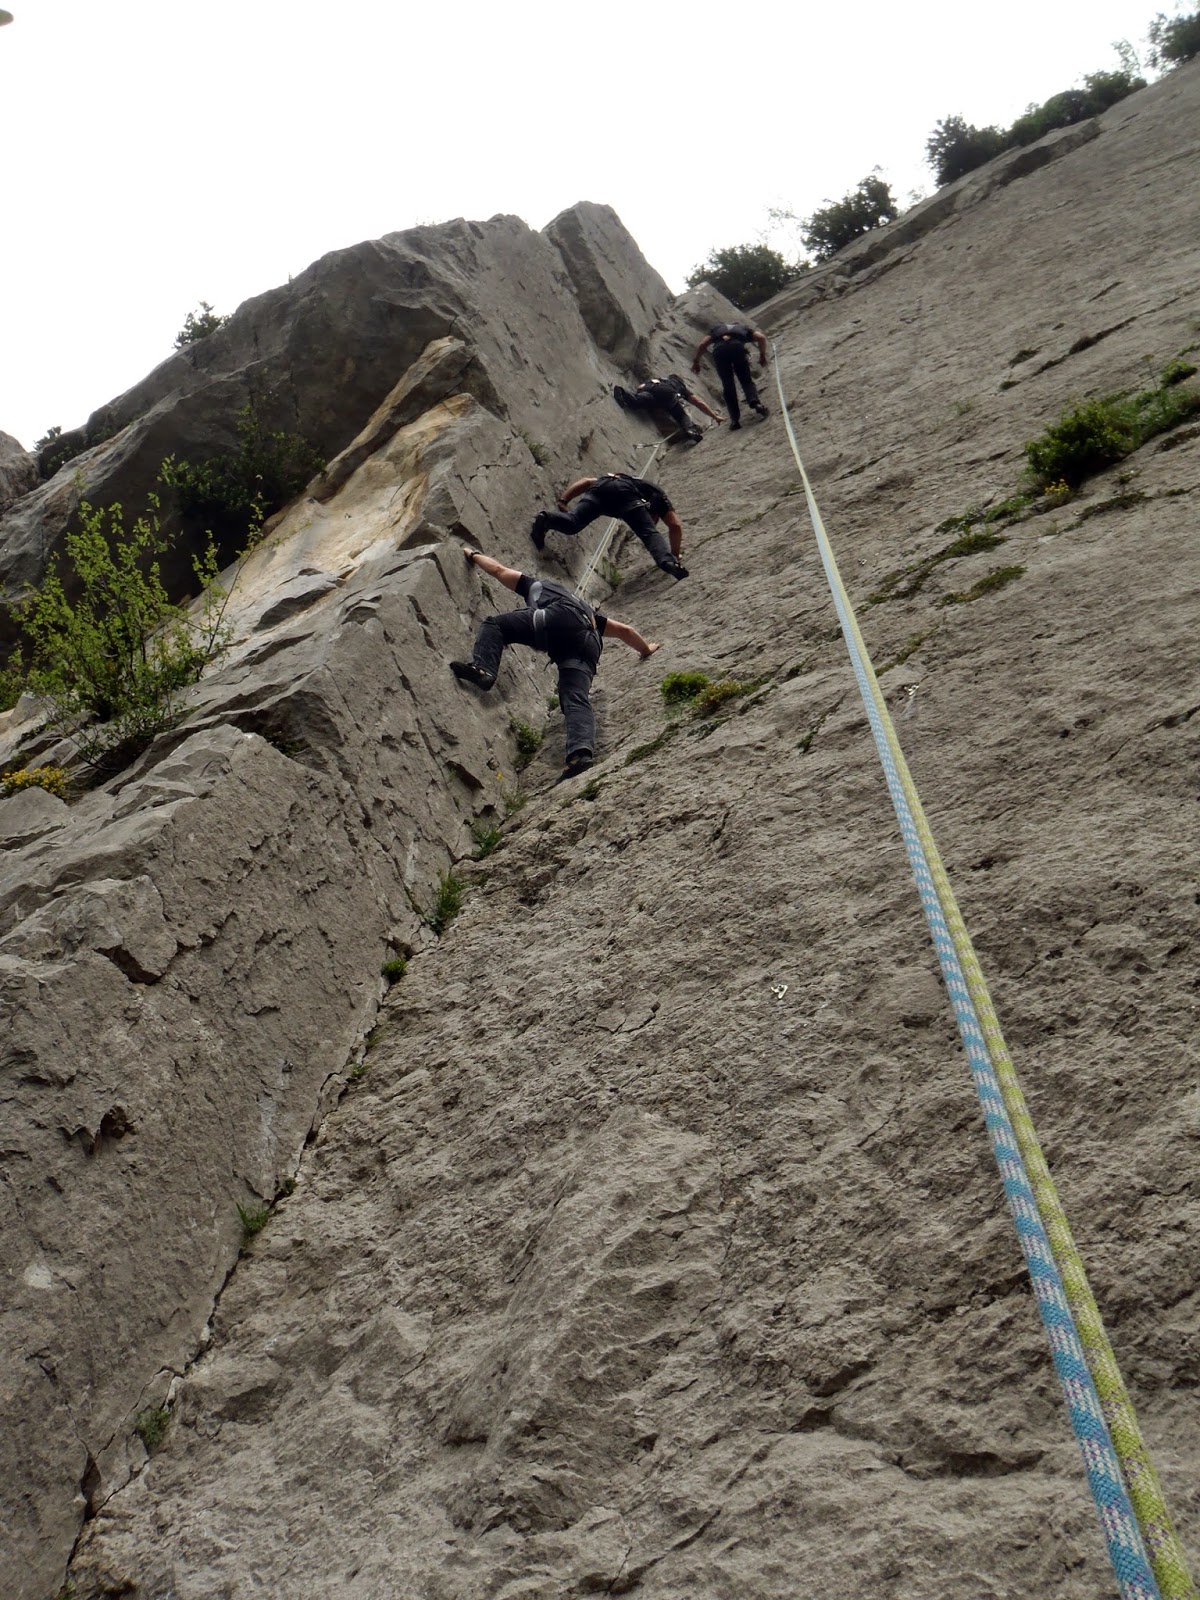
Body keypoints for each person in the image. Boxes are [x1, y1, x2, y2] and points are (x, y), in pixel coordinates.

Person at [451, 545, 661, 781]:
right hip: (590, 644)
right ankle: (580, 754)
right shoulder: (590, 612)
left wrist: (475, 555)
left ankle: (484, 669)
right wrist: (646, 649)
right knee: (574, 697)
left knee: (495, 625)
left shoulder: (536, 586)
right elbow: (625, 630)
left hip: (558, 619)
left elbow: (499, 570)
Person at [530, 473, 688, 580]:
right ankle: (668, 563)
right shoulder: (658, 496)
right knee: (650, 534)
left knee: (573, 522)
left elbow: (586, 482)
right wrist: (674, 554)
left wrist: (564, 500)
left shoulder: (629, 481)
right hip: (625, 495)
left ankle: (546, 519)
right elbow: (675, 526)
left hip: (601, 488)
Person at [692, 322, 770, 430]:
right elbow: (761, 337)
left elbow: (702, 345)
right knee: (746, 380)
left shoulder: (716, 330)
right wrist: (762, 355)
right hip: (737, 348)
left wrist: (696, 361)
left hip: (720, 351)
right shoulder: (743, 329)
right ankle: (755, 403)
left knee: (728, 385)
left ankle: (734, 420)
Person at [612, 373, 723, 443]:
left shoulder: (658, 380)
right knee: (682, 416)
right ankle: (690, 430)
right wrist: (715, 416)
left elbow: (640, 387)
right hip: (668, 395)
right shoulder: (680, 387)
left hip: (650, 390)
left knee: (637, 401)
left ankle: (623, 392)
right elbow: (698, 402)